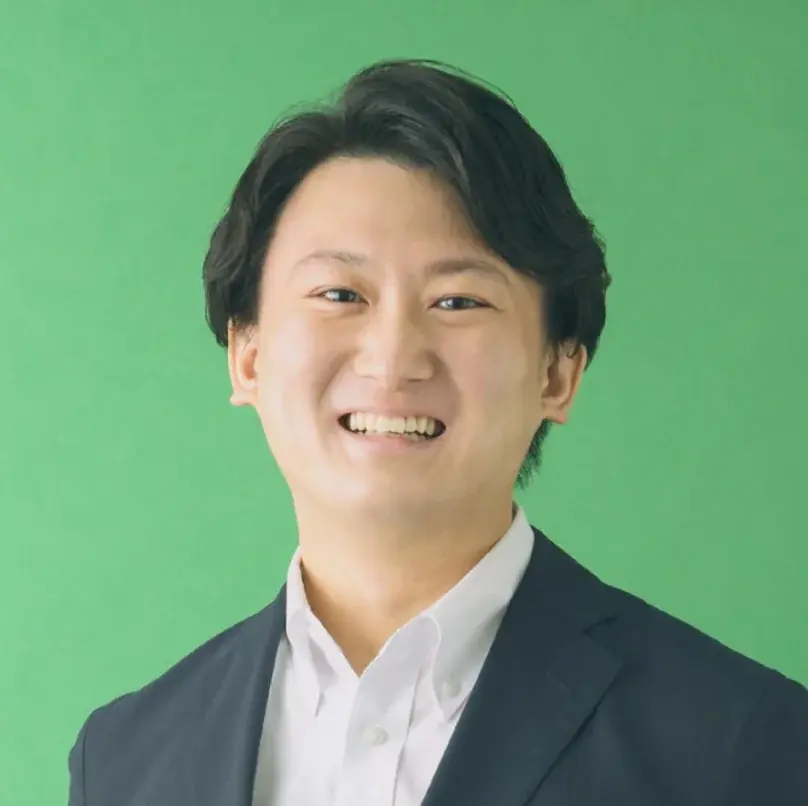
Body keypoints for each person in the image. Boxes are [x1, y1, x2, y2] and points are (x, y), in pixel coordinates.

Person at [67, 58, 808, 806]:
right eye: (339, 294)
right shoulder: (125, 759)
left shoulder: (739, 743)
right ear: (247, 357)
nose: (393, 358)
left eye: (458, 302)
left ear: (558, 374)